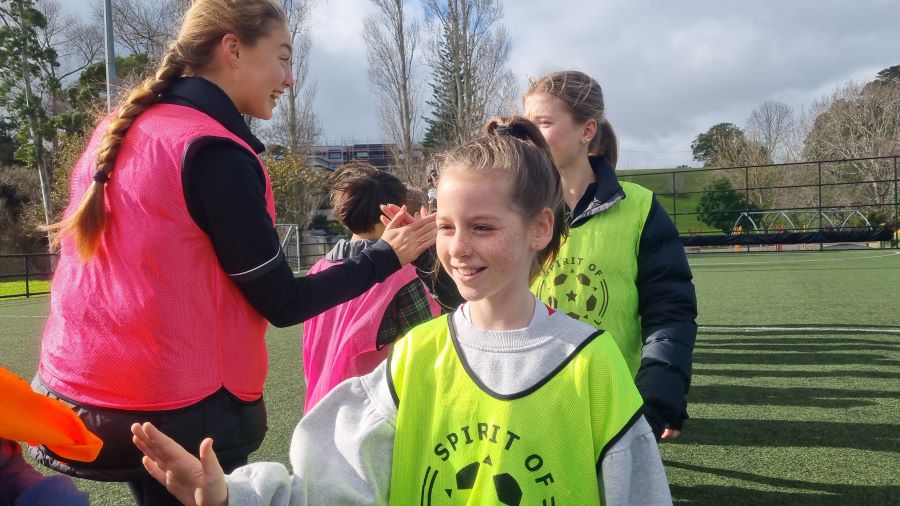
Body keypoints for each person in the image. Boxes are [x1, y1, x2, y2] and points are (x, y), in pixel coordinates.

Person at [131, 117, 672, 505]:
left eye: (483, 226)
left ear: (540, 229)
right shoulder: (417, 355)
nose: (458, 247)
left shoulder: (593, 365)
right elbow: (331, 491)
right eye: (445, 227)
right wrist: (231, 495)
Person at [31, 1, 434, 504]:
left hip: (83, 395)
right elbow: (283, 302)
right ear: (233, 49)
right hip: (178, 409)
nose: (289, 79)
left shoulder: (124, 130)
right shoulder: (212, 150)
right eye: (283, 58)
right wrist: (384, 256)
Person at [523, 70, 697, 440]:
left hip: (614, 400)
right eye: (528, 123)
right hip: (526, 396)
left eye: (544, 122)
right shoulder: (514, 209)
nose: (532, 135)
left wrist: (661, 387)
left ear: (587, 131)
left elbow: (670, 309)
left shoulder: (640, 207)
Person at [302, 163, 440, 413]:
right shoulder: (402, 274)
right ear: (393, 211)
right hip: (373, 414)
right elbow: (426, 351)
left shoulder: (318, 270)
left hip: (320, 406)